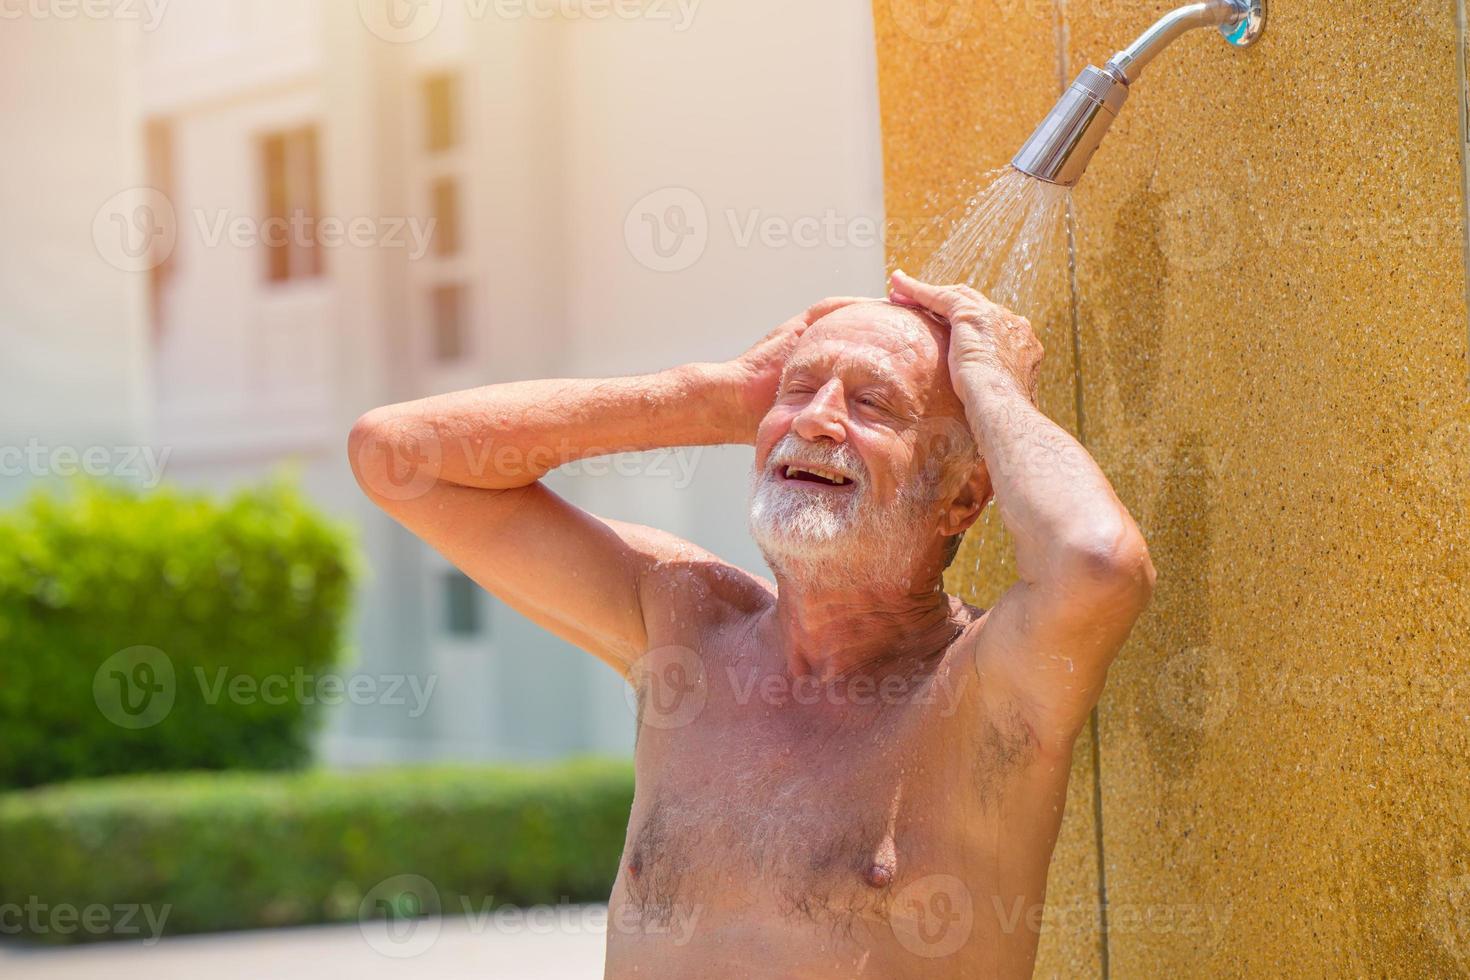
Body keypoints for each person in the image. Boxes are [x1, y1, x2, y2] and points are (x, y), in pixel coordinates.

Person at [348, 270, 1155, 978]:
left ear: (964, 498)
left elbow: (1097, 561)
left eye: (874, 404)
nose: (815, 420)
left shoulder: (989, 684)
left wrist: (992, 383)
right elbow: (398, 455)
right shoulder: (685, 627)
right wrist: (714, 393)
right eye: (795, 392)